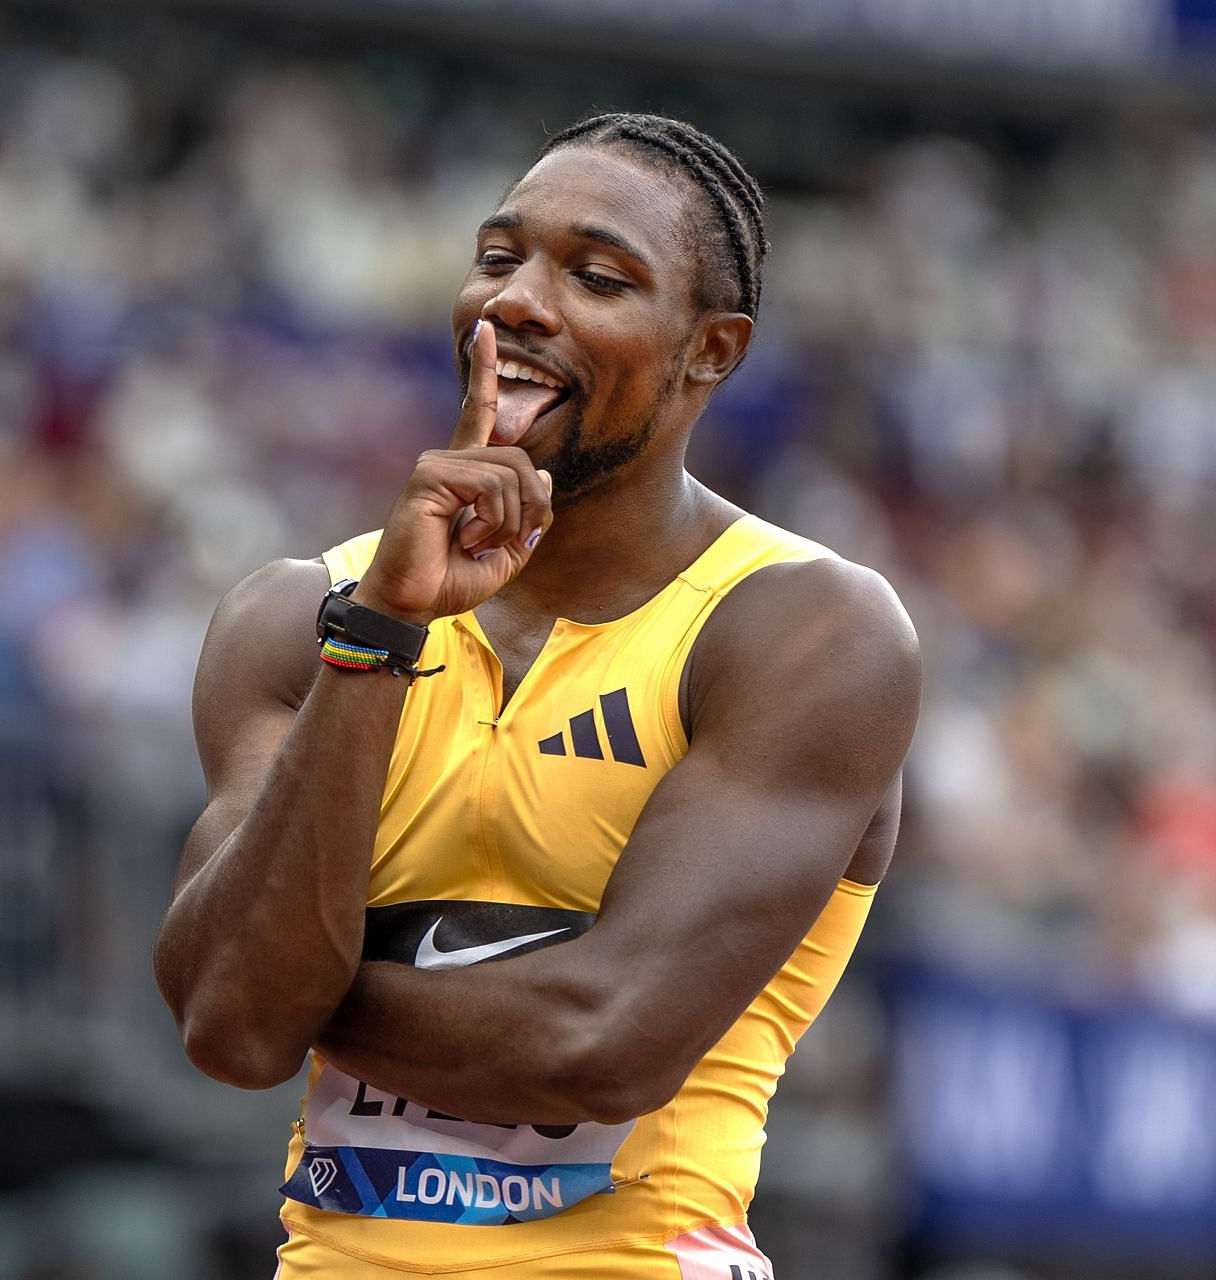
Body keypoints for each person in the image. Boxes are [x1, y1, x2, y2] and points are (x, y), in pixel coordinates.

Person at [154, 112, 921, 1278]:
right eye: (500, 256)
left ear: (709, 351)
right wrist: (386, 633)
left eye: (598, 277)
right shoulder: (298, 617)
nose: (518, 300)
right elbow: (229, 1022)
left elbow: (598, 1042)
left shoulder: (804, 630)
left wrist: (293, 983)